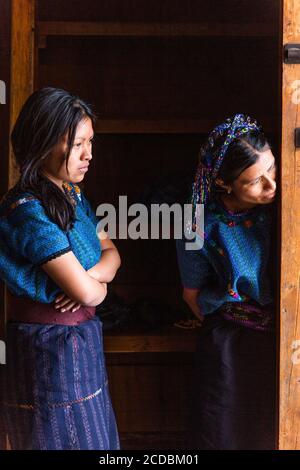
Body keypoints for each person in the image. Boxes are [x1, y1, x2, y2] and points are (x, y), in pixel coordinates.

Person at [0, 87, 121, 450]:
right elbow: (88, 293)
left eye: (91, 142)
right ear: (44, 142)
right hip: (47, 351)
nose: (89, 155)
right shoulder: (26, 209)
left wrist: (92, 278)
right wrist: (95, 287)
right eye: (79, 144)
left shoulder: (73, 194)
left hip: (81, 342)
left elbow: (113, 253)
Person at [176, 114, 277, 450]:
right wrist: (238, 319)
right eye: (255, 181)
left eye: (272, 169)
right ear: (224, 184)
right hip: (228, 344)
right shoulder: (197, 226)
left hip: (283, 335)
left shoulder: (282, 209)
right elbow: (192, 295)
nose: (271, 186)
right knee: (224, 433)